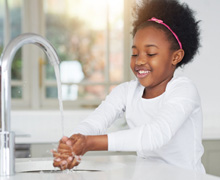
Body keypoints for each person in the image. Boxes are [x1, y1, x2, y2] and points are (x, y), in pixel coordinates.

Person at [53, 0, 205, 173]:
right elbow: (95, 122)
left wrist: (89, 143)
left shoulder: (184, 90)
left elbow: (155, 135)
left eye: (151, 53)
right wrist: (73, 142)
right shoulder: (127, 92)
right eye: (135, 53)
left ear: (176, 57)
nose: (139, 60)